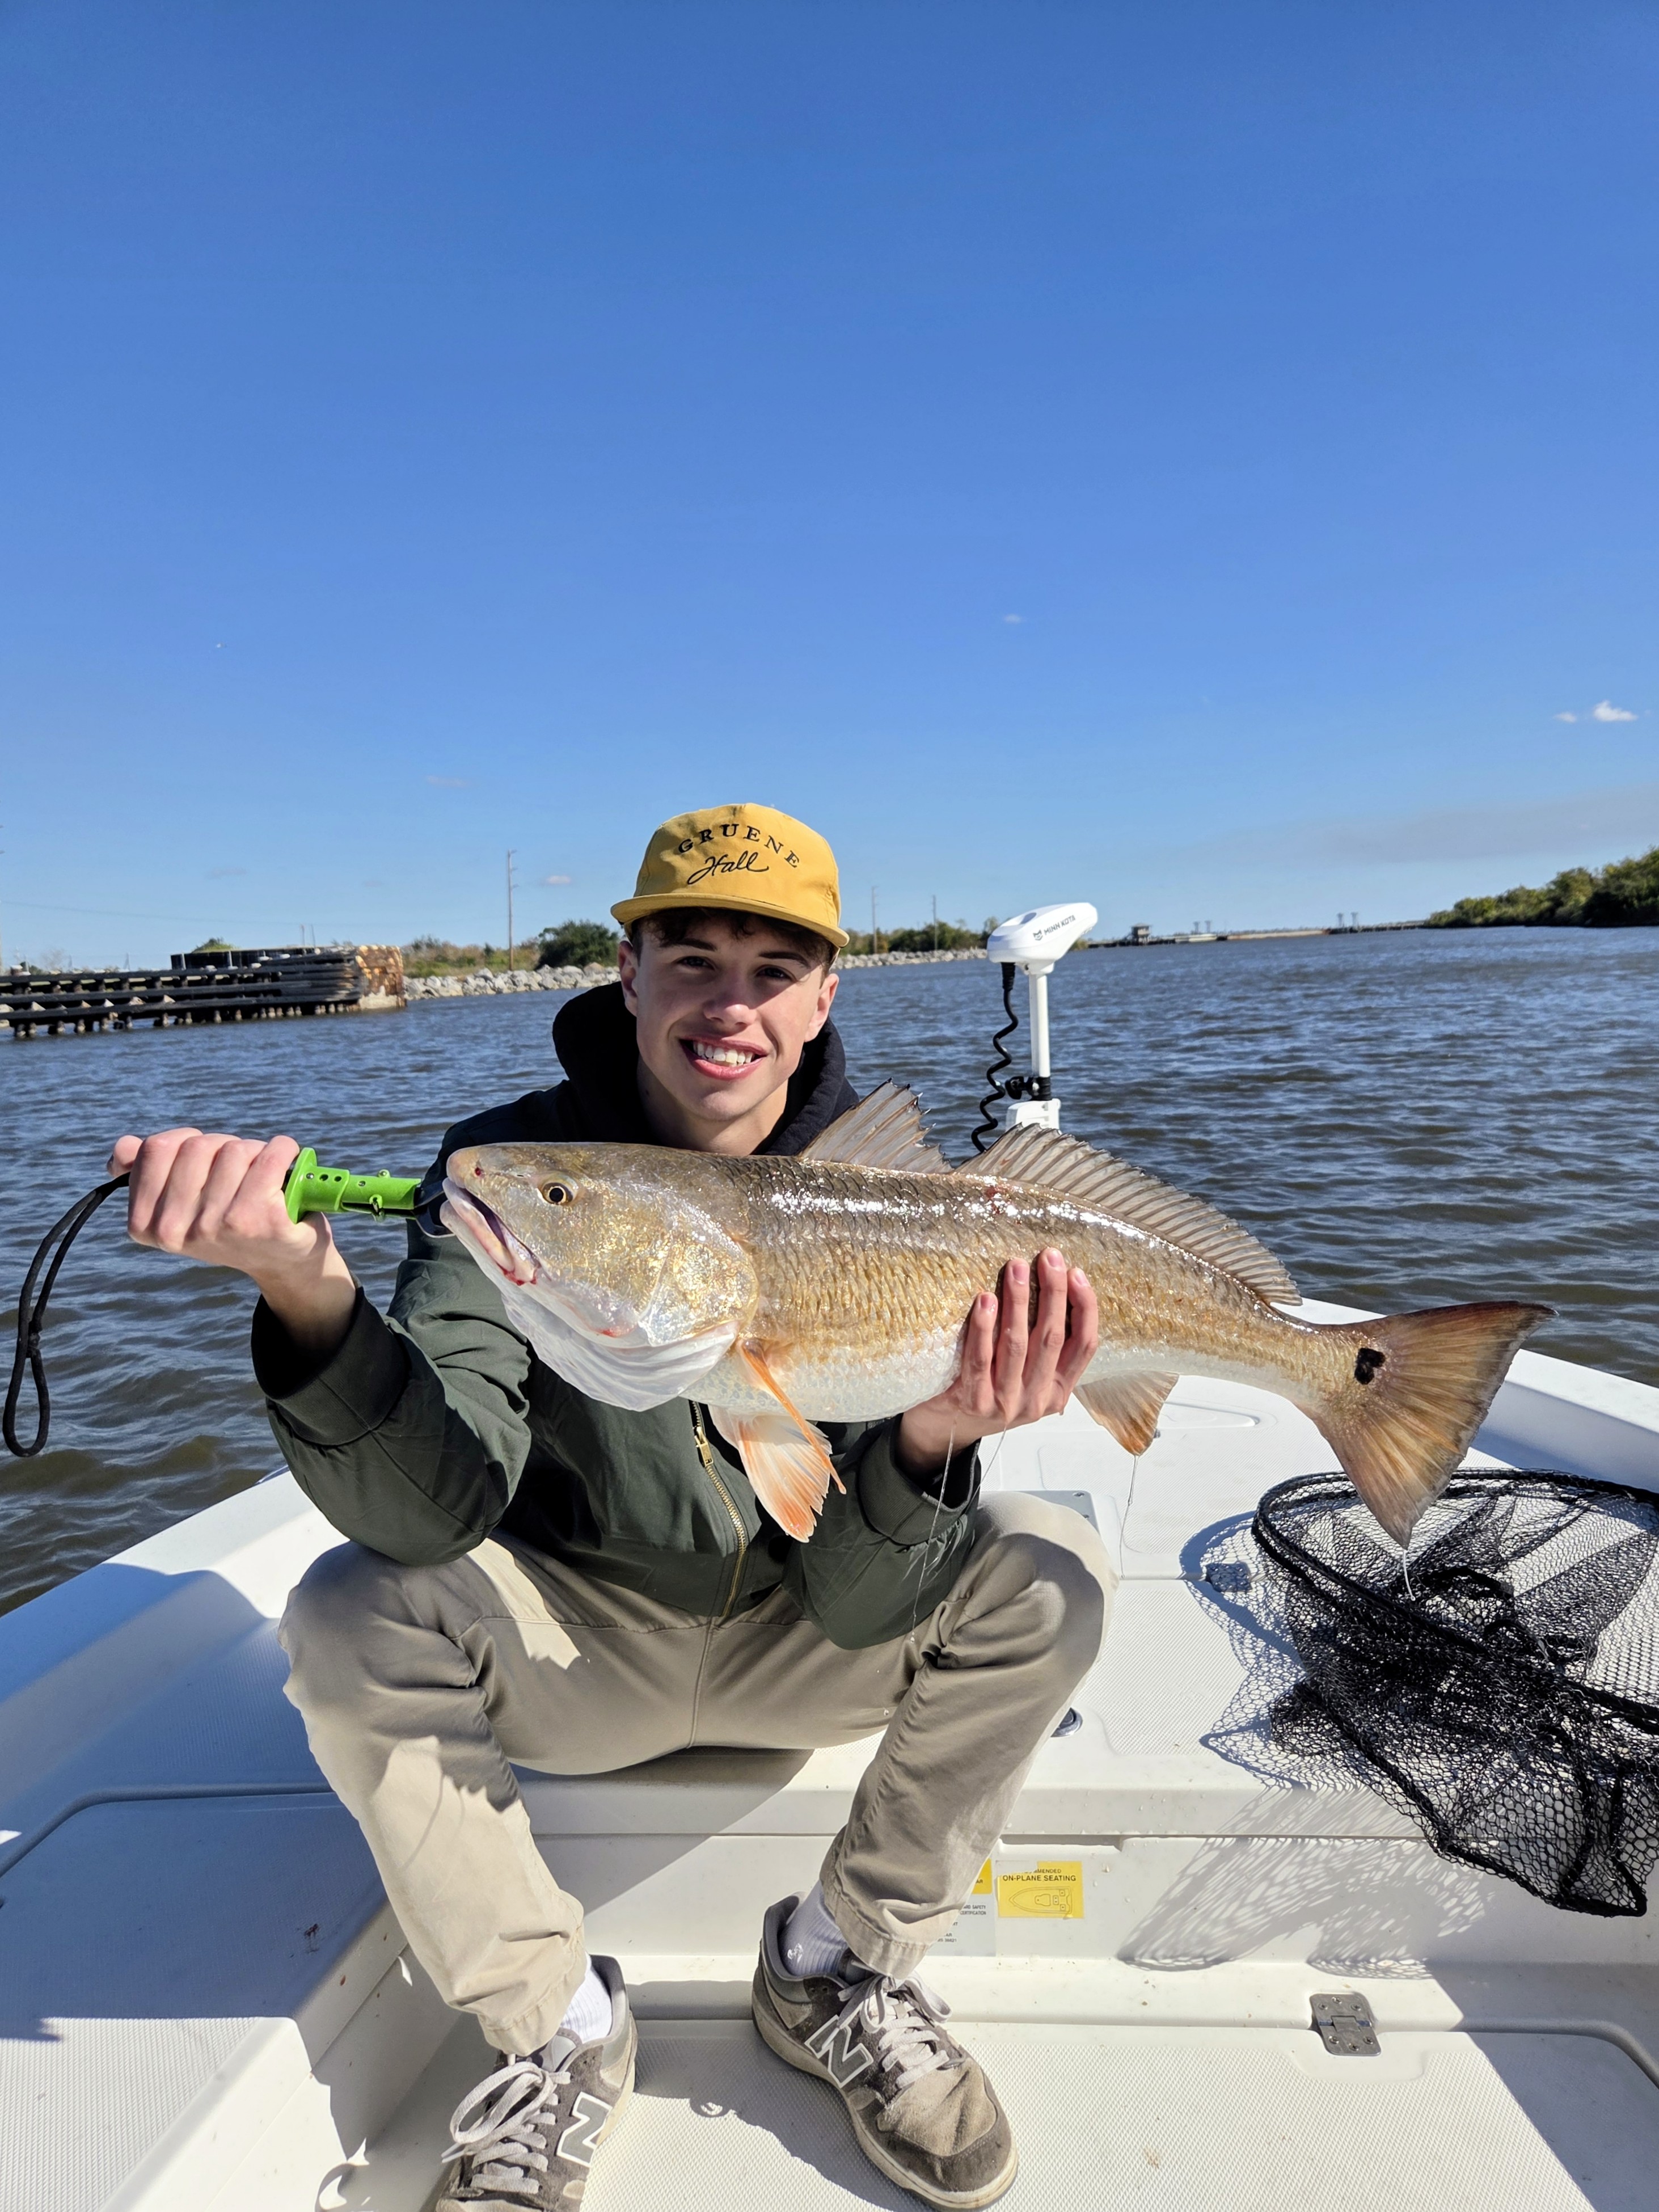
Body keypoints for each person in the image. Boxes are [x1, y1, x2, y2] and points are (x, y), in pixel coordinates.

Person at [112, 802, 1115, 2211]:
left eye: (772, 969)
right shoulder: (511, 1177)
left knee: (1052, 1564)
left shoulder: (903, 1200)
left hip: (810, 1639)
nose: (729, 1004)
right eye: (689, 957)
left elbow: (862, 1602)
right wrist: (306, 1293)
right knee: (348, 1606)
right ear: (626, 972)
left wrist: (938, 1433)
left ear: (825, 995)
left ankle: (837, 1968)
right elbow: (428, 1509)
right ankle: (558, 2031)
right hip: (579, 1654)